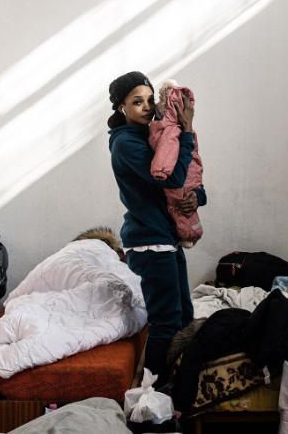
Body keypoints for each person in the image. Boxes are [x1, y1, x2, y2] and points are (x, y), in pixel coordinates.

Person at [107, 71, 206, 386]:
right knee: (165, 322)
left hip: (166, 238)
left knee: (184, 316)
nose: (147, 107)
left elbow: (184, 184)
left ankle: (174, 389)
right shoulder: (125, 143)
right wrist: (187, 129)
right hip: (149, 241)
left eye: (150, 99)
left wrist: (196, 198)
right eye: (137, 102)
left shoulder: (153, 134)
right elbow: (172, 178)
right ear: (121, 107)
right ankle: (150, 396)